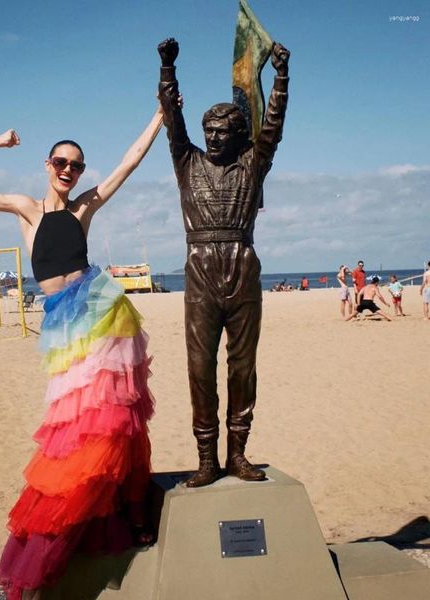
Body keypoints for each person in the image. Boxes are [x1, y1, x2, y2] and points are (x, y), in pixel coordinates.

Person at [0, 103, 165, 599]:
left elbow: (129, 163)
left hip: (100, 312)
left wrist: (159, 114)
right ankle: (93, 515)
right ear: (47, 166)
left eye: (76, 164)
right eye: (60, 163)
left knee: (113, 418)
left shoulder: (84, 208)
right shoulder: (28, 209)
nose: (68, 170)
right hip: (62, 322)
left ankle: (130, 511)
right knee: (76, 428)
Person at [157, 38, 289, 486]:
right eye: (208, 130)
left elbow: (272, 127)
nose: (213, 138)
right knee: (199, 367)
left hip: (243, 265)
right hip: (200, 269)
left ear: (237, 136)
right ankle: (206, 458)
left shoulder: (253, 164)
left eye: (221, 132)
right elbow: (172, 122)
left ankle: (238, 454)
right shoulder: (185, 161)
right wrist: (167, 68)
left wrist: (281, 77)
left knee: (242, 365)